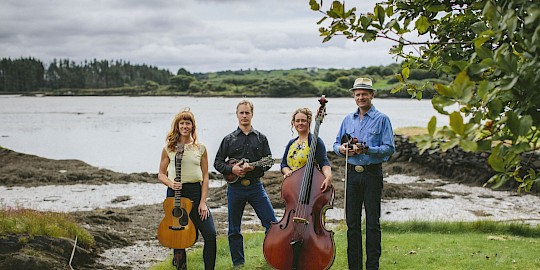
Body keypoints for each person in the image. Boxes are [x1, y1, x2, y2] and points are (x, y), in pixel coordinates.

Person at [333, 78, 395, 270]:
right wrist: (342, 149)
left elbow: (389, 148)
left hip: (372, 175)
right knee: (352, 224)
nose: (361, 97)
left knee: (372, 224)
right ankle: (354, 267)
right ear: (354, 96)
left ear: (372, 95)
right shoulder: (347, 119)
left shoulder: (382, 119)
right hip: (352, 175)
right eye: (357, 94)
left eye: (364, 94)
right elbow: (336, 144)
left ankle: (372, 267)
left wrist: (367, 150)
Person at [214, 99, 277, 268]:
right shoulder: (228, 139)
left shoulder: (261, 138)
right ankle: (238, 264)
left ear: (252, 114)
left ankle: (273, 259)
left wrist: (254, 168)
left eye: (247, 112)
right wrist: (232, 170)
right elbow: (217, 163)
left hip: (256, 186)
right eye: (241, 113)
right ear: (237, 115)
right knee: (234, 229)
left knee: (272, 224)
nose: (244, 116)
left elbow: (269, 161)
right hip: (235, 189)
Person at [158, 109, 217, 270]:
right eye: (182, 123)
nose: (185, 126)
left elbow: (205, 176)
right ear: (177, 126)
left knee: (210, 234)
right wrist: (171, 184)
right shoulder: (169, 148)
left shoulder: (200, 148)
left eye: (188, 123)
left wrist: (203, 202)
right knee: (178, 238)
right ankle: (181, 266)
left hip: (195, 194)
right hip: (175, 195)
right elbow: (161, 174)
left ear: (192, 126)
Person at [281, 107, 332, 192]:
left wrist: (328, 176)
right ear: (293, 123)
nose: (300, 123)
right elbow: (283, 164)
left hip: (311, 186)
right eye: (297, 121)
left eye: (303, 120)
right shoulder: (291, 143)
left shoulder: (315, 141)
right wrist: (287, 172)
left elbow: (324, 162)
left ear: (309, 122)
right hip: (292, 185)